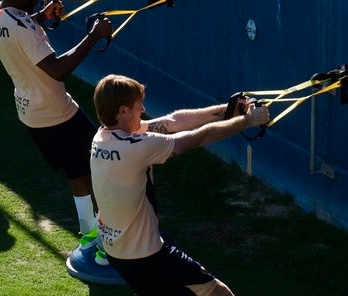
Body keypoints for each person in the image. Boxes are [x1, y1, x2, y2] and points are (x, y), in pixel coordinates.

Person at [0, 0, 113, 265]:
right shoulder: (25, 27)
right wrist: (95, 34)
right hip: (58, 112)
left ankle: (89, 234)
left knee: (76, 172)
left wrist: (40, 16)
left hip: (30, 115)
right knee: (103, 170)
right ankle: (109, 248)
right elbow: (58, 69)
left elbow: (19, 27)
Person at [90, 74, 270, 296]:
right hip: (146, 255)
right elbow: (195, 139)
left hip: (117, 250)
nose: (143, 109)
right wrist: (246, 121)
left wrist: (227, 110)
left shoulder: (102, 137)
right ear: (123, 111)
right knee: (218, 293)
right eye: (138, 106)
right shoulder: (137, 147)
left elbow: (173, 121)